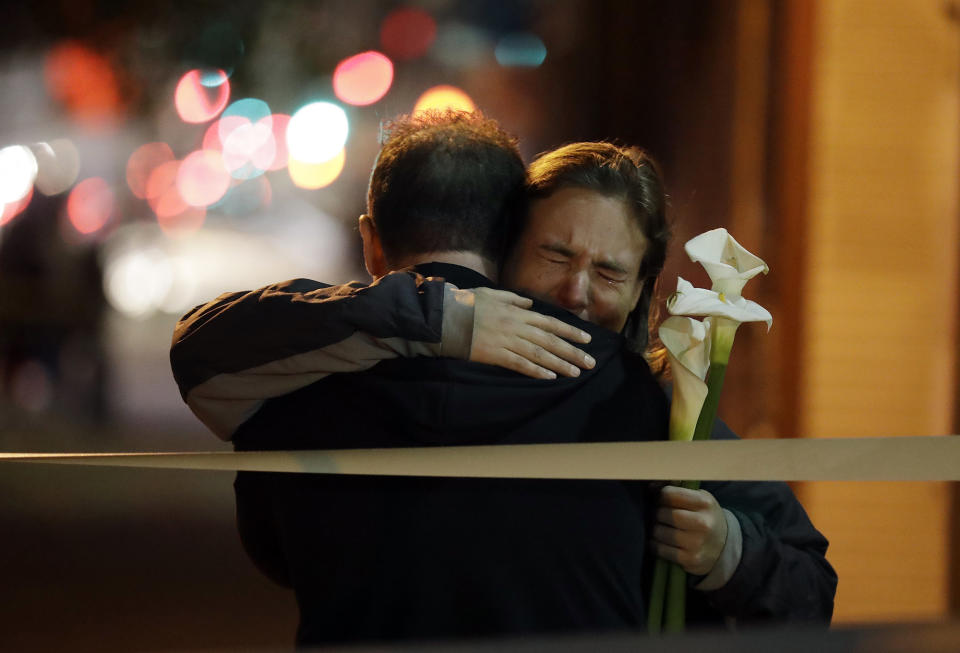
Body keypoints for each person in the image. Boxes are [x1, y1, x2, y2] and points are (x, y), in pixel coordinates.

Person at [171, 115, 836, 643]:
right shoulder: (636, 401)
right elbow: (811, 586)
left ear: (373, 242)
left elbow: (273, 552)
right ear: (509, 240)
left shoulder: (297, 385)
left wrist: (725, 548)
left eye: (608, 273)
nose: (576, 292)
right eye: (556, 254)